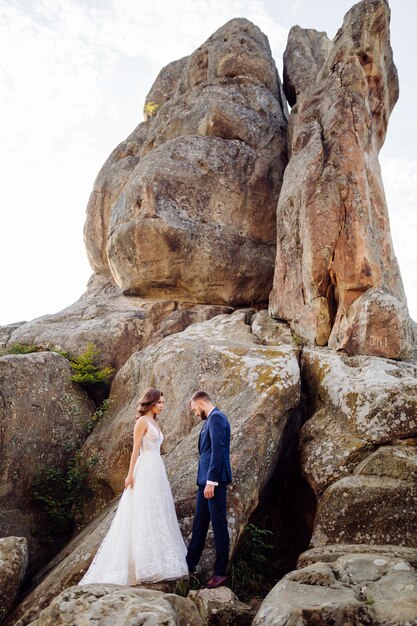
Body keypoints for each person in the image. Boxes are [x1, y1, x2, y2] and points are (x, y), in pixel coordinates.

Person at [79, 388, 188, 585]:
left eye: (163, 402)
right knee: (143, 511)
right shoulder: (142, 422)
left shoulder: (154, 421)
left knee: (158, 509)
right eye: (160, 402)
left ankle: (161, 559)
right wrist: (129, 475)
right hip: (145, 467)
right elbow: (135, 450)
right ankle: (143, 565)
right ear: (151, 402)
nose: (162, 406)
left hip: (157, 468)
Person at [186, 390, 232, 589]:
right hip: (205, 482)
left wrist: (211, 482)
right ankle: (189, 564)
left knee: (219, 525)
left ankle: (220, 573)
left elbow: (218, 450)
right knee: (200, 523)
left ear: (201, 403)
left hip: (214, 483)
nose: (195, 413)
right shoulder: (210, 420)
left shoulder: (217, 418)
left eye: (195, 409)